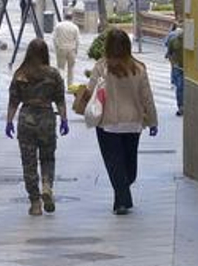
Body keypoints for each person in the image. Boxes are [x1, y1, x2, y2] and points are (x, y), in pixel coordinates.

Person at [88, 29, 158, 215]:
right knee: (129, 164)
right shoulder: (139, 68)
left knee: (114, 163)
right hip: (133, 123)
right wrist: (152, 121)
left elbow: (90, 91)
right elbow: (147, 97)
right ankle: (122, 199)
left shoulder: (101, 67)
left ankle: (121, 198)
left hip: (108, 123)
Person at [4, 39, 69, 216]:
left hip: (27, 119)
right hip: (47, 118)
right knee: (47, 158)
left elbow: (13, 101)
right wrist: (64, 119)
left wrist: (9, 122)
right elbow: (60, 99)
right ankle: (47, 185)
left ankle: (35, 203)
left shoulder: (21, 74)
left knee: (29, 162)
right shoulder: (53, 74)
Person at [164, 23, 185, 116]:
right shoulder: (173, 39)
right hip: (178, 68)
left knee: (182, 87)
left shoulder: (191, 41)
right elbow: (169, 53)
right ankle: (181, 107)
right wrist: (173, 64)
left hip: (186, 68)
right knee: (180, 87)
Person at [52, 16, 80, 84]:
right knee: (71, 69)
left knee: (61, 68)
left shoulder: (58, 26)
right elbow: (77, 40)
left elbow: (54, 38)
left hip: (61, 49)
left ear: (64, 17)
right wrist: (76, 50)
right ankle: (70, 86)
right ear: (72, 18)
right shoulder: (75, 27)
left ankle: (61, 84)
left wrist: (57, 47)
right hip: (71, 49)